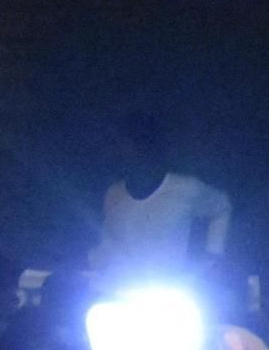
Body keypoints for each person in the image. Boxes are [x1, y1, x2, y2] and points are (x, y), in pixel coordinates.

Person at [96, 111, 233, 276]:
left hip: (169, 286)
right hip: (118, 287)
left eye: (133, 144)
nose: (125, 152)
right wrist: (93, 267)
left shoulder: (185, 188)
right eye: (119, 146)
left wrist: (213, 255)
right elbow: (108, 243)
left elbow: (221, 207)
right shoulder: (114, 195)